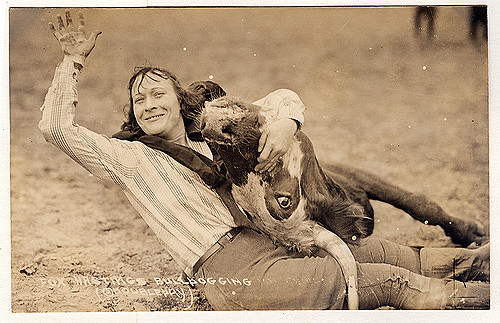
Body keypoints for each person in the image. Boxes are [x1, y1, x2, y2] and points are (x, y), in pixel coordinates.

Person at [40, 11, 489, 310]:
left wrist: (286, 124)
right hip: (233, 270)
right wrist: (72, 62)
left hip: (272, 239)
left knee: (388, 255)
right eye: (139, 100)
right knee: (387, 283)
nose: (148, 104)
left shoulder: (215, 134)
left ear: (180, 102)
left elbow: (282, 97)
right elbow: (56, 129)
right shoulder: (131, 158)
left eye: (158, 93)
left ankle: (484, 264)